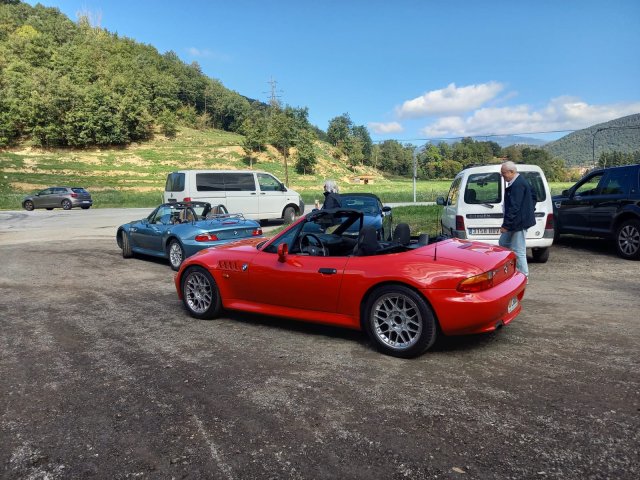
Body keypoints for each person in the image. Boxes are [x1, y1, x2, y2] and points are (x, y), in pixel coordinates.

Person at [499, 161, 536, 278]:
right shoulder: (519, 181)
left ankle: (523, 276)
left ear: (511, 172)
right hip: (515, 221)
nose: (502, 175)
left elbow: (514, 207)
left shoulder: (518, 184)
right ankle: (508, 271)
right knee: (503, 243)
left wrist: (506, 225)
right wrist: (529, 208)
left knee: (518, 250)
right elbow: (534, 195)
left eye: (503, 173)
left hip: (519, 222)